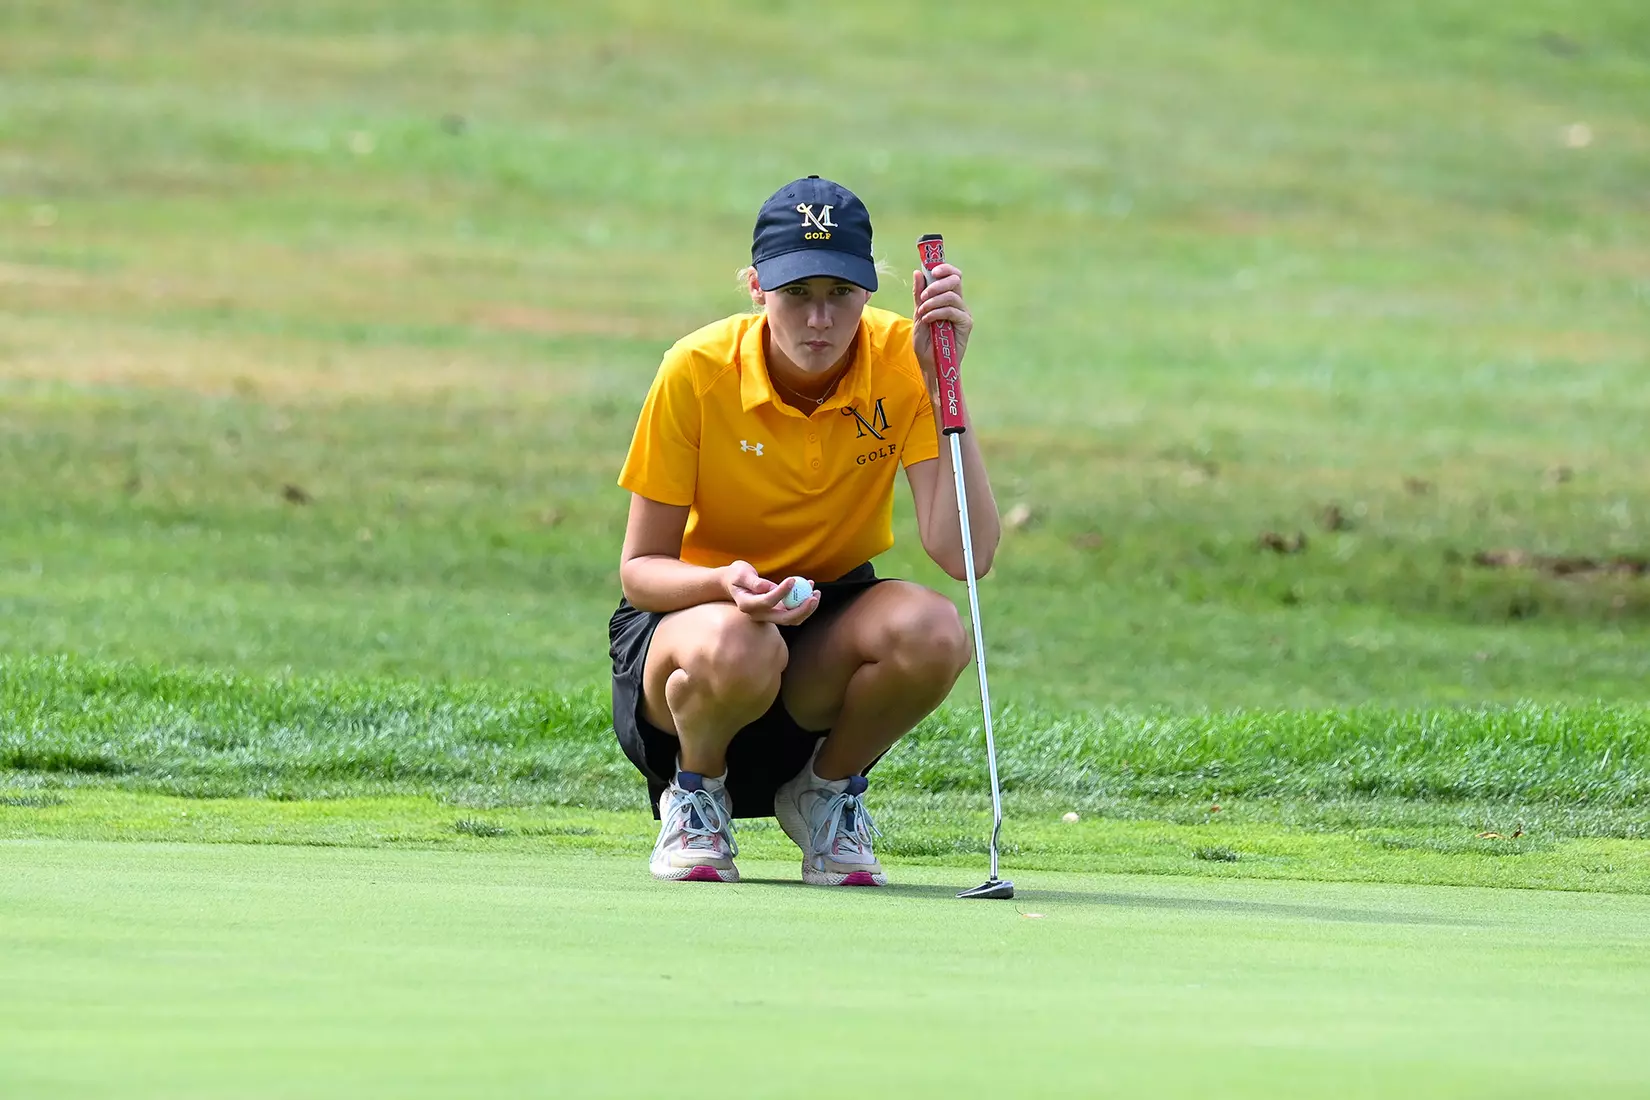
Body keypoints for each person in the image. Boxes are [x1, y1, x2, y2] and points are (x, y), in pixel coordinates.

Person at [608, 175, 1001, 886]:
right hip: (694, 632)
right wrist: (722, 583)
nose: (819, 320)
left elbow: (963, 553)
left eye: (840, 296)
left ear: (869, 292)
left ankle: (824, 793)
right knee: (738, 639)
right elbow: (640, 570)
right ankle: (696, 796)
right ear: (757, 287)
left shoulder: (902, 359)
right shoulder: (694, 370)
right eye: (796, 296)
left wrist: (947, 383)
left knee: (934, 629)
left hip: (827, 623)